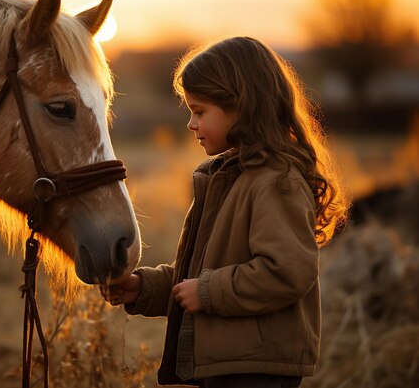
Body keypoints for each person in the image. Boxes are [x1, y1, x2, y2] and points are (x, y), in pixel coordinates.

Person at [100, 37, 348, 388]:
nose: (191, 123)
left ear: (243, 107)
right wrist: (143, 288)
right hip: (228, 363)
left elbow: (287, 272)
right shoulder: (229, 177)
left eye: (200, 111)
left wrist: (207, 292)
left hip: (257, 369)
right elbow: (201, 272)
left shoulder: (276, 182)